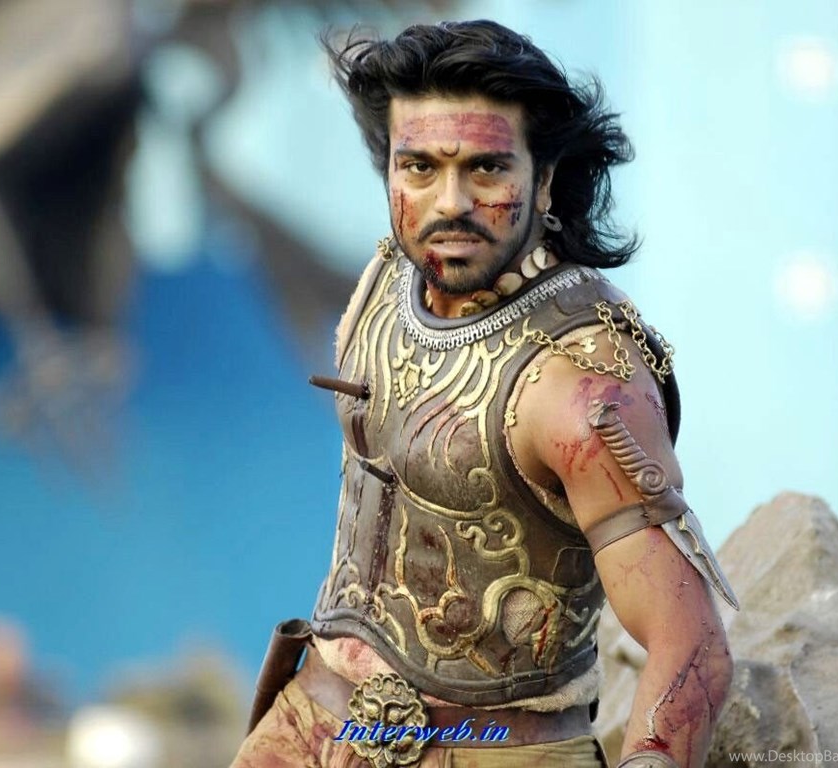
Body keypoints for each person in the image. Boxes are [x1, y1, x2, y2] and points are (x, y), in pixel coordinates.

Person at [231, 19, 738, 768]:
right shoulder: (385, 281)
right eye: (419, 167)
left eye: (487, 169)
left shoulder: (584, 384)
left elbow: (691, 647)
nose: (450, 202)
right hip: (310, 721)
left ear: (545, 179)